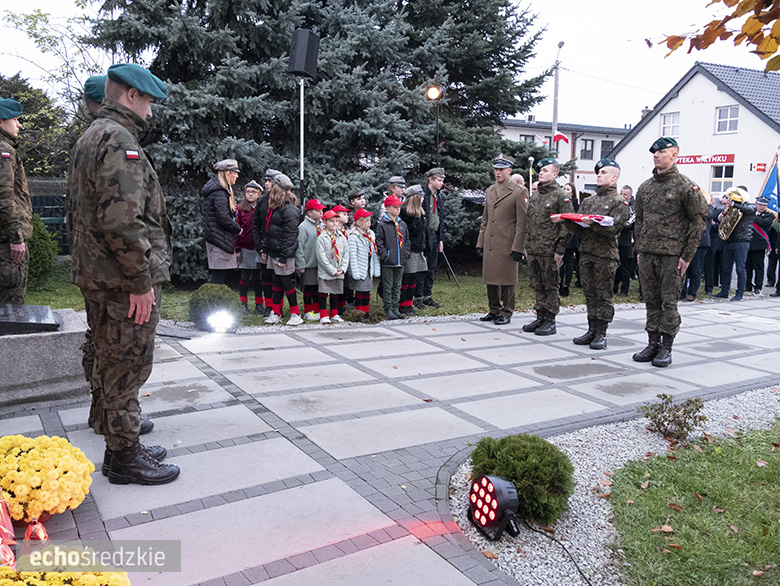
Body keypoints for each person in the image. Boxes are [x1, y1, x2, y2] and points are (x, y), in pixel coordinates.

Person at [66, 63, 179, 485]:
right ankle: (124, 456)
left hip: (101, 275)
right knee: (127, 365)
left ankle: (121, 446)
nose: (150, 110)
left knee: (111, 359)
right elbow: (123, 222)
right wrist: (140, 282)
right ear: (131, 95)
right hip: (121, 281)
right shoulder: (118, 140)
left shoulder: (93, 135)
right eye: (147, 100)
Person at [632, 137, 707, 367]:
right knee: (651, 301)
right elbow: (639, 221)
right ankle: (652, 342)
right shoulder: (646, 187)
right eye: (654, 153)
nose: (656, 156)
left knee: (669, 302)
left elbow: (698, 222)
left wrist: (687, 255)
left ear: (674, 155)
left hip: (672, 255)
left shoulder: (686, 187)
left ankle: (666, 346)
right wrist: (639, 248)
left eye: (662, 152)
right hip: (647, 253)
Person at [556, 158, 628, 349]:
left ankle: (601, 333)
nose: (599, 175)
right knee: (589, 294)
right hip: (586, 253)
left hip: (605, 255)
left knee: (603, 295)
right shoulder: (589, 201)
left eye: (603, 172)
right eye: (598, 172)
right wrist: (566, 220)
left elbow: (613, 230)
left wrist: (593, 224)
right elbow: (579, 228)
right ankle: (591, 329)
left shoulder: (619, 202)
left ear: (614, 177)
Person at [522, 158, 573, 335]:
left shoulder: (560, 196)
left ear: (555, 174)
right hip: (534, 248)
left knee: (550, 285)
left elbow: (568, 224)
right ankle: (540, 316)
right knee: (537, 283)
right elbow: (529, 223)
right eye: (540, 170)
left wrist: (560, 249)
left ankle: (550, 320)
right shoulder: (536, 195)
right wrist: (527, 245)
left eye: (545, 170)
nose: (541, 173)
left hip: (550, 250)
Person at [476, 154, 528, 325]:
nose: (497, 172)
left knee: (507, 279)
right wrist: (480, 242)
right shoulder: (490, 190)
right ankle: (494, 309)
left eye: (501, 169)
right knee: (491, 278)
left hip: (508, 242)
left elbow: (522, 222)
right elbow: (485, 219)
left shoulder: (519, 191)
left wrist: (518, 247)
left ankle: (506, 311)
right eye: (496, 169)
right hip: (491, 241)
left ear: (509, 170)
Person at [0, 98, 32, 305]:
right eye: (14, 119)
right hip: (5, 244)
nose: (19, 125)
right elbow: (4, 197)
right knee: (11, 311)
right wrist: (16, 238)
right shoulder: (4, 151)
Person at [263, 173, 302, 325]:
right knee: (276, 282)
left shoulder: (290, 210)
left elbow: (290, 235)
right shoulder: (275, 207)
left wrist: (284, 256)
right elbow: (269, 230)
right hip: (274, 252)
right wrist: (266, 248)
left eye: (272, 185)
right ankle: (276, 312)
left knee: (286, 282)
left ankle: (295, 313)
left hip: (284, 253)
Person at [202, 159, 241, 284]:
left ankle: (216, 296)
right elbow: (223, 217)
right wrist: (238, 229)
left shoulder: (219, 190)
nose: (237, 175)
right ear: (228, 173)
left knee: (220, 275)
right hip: (218, 238)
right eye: (235, 172)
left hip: (217, 236)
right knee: (219, 276)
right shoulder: (219, 192)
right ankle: (214, 297)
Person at [712, 187, 755, 302]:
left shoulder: (751, 206)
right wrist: (722, 215)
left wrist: (732, 204)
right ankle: (724, 291)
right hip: (729, 240)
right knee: (726, 267)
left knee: (740, 268)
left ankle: (739, 293)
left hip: (742, 240)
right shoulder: (732, 207)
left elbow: (747, 210)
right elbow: (725, 221)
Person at [376, 194, 410, 320]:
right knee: (388, 285)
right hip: (388, 261)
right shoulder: (383, 224)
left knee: (397, 285)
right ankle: (388, 308)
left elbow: (407, 240)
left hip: (401, 259)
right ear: (388, 208)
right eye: (395, 207)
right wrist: (385, 255)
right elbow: (379, 242)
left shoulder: (402, 224)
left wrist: (406, 253)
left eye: (399, 207)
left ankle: (396, 307)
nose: (398, 209)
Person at [253, 168, 281, 317]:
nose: (266, 184)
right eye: (266, 181)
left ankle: (278, 306)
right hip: (264, 246)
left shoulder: (284, 201)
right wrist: (259, 246)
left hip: (278, 246)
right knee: (266, 277)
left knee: (279, 278)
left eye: (270, 181)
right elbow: (256, 225)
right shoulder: (262, 201)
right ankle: (269, 305)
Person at [680, 189, 716, 301]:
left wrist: (708, 204)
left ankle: (692, 293)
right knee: (684, 268)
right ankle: (682, 292)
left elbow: (708, 214)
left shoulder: (709, 208)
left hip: (701, 243)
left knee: (696, 269)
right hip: (688, 241)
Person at [316, 209, 349, 324]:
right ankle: (323, 314)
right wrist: (332, 270)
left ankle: (334, 314)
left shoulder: (341, 237)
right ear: (325, 222)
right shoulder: (321, 238)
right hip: (326, 271)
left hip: (339, 270)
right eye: (331, 221)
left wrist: (342, 269)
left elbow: (346, 254)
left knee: (335, 292)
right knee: (323, 292)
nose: (334, 223)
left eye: (336, 221)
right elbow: (321, 258)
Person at [399, 185, 428, 315]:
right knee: (406, 278)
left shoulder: (420, 214)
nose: (423, 199)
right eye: (421, 196)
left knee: (413, 278)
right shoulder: (406, 214)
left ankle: (409, 303)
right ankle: (402, 304)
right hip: (410, 251)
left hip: (418, 249)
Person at [296, 198, 326, 321]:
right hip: (308, 264)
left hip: (320, 264)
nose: (321, 213)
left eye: (321, 210)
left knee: (318, 289)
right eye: (318, 211)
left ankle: (317, 310)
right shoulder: (303, 227)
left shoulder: (322, 226)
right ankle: (308, 311)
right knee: (309, 288)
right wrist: (301, 264)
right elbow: (299, 247)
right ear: (309, 212)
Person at [419, 168, 446, 308]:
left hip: (435, 235)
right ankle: (418, 296)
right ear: (431, 180)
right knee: (422, 267)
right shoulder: (423, 196)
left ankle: (427, 295)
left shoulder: (439, 197)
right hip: (424, 236)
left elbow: (441, 218)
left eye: (442, 180)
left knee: (432, 267)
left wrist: (441, 238)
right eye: (439, 180)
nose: (442, 183)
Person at [348, 208, 381, 320]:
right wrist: (355, 272)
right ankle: (359, 312)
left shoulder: (371, 234)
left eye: (369, 221)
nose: (369, 223)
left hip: (368, 267)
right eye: (366, 221)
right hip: (359, 267)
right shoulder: (353, 236)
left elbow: (375, 252)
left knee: (367, 290)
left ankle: (366, 311)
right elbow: (352, 256)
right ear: (358, 222)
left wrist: (376, 268)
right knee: (360, 290)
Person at [235, 180, 262, 314]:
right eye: (248, 192)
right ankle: (243, 303)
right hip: (245, 247)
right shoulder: (239, 209)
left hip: (258, 248)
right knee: (245, 277)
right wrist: (237, 249)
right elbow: (236, 230)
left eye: (253, 192)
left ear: (258, 194)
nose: (250, 194)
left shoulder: (262, 208)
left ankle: (259, 304)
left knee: (258, 278)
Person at [745, 195, 774, 296]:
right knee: (747, 266)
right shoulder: (752, 214)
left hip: (759, 245)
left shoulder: (769, 215)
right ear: (756, 204)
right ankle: (747, 285)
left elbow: (764, 223)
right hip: (748, 243)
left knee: (758, 268)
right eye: (760, 205)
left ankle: (758, 286)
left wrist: (751, 215)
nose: (762, 207)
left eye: (764, 205)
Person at [613, 185, 635, 297]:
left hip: (626, 241)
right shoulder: (617, 204)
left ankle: (624, 289)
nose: (622, 196)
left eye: (625, 194)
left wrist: (618, 225)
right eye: (621, 193)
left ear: (630, 196)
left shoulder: (633, 207)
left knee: (625, 267)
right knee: (615, 266)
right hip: (615, 240)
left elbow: (629, 223)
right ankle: (614, 287)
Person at [559, 182, 579, 297]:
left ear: (572, 192)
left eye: (568, 189)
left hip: (571, 236)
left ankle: (566, 285)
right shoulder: (561, 202)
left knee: (568, 261)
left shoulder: (575, 204)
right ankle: (560, 284)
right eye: (564, 188)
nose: (565, 191)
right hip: (561, 235)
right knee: (560, 262)